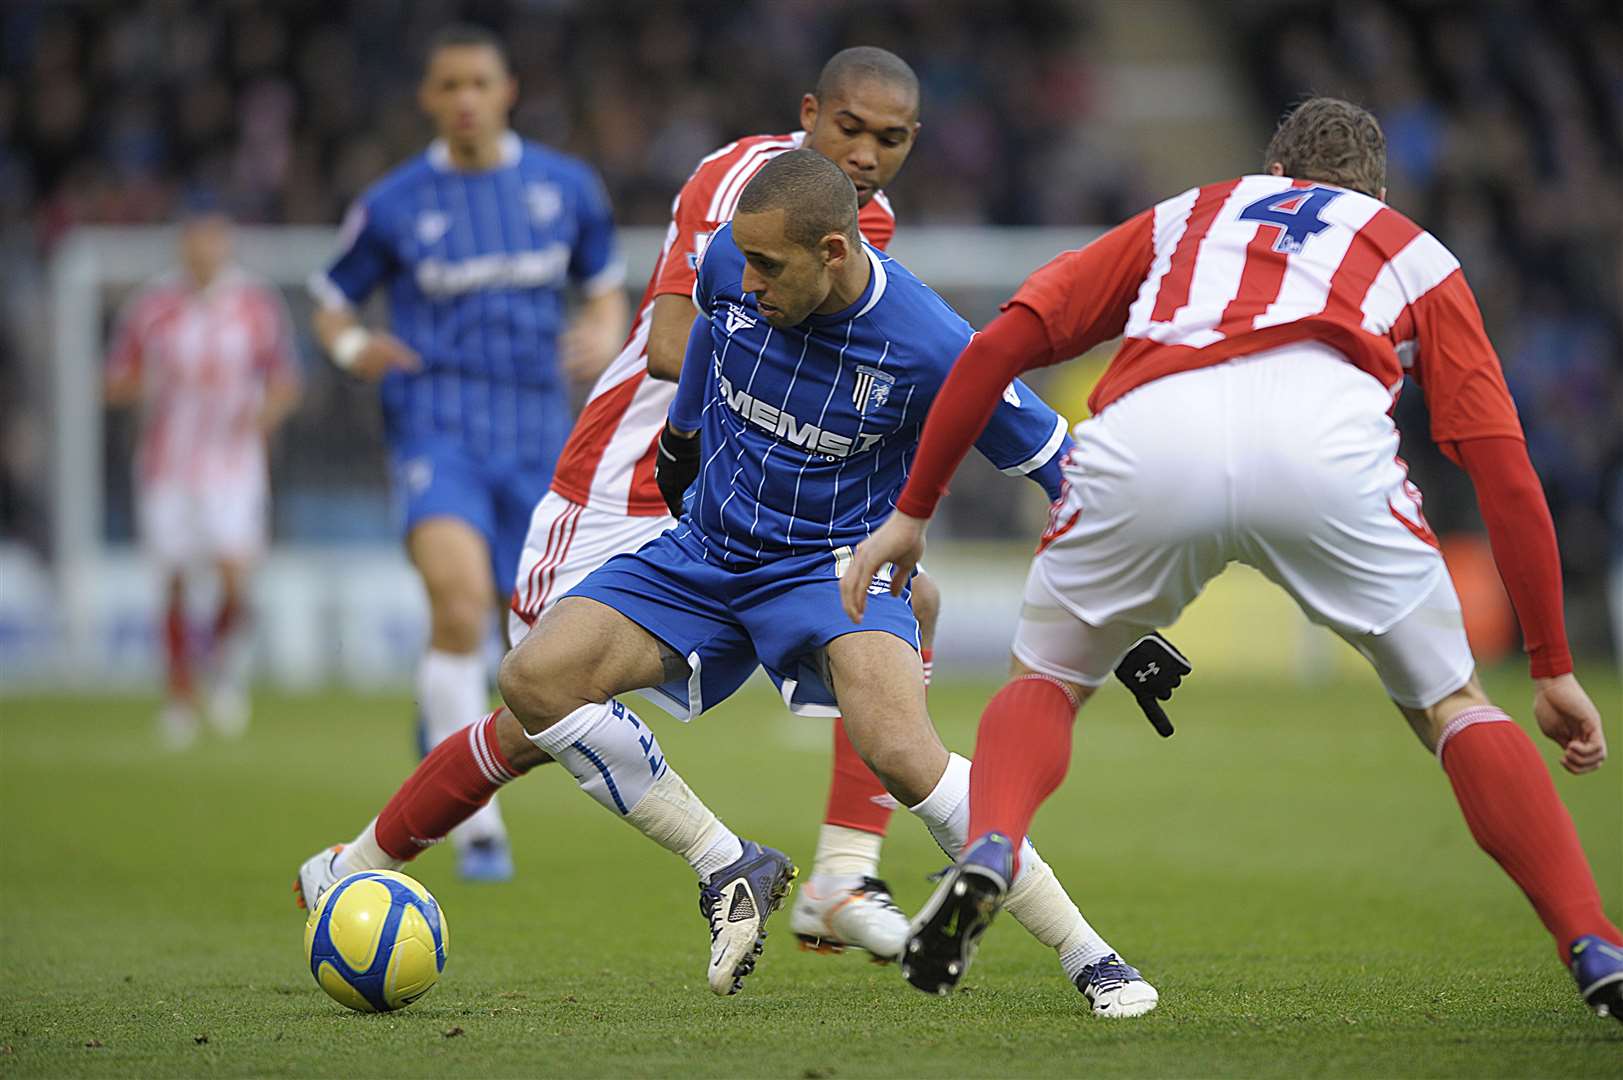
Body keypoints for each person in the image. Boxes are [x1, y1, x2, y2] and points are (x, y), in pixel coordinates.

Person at [298, 150, 1159, 1016]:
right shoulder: (731, 266)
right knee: (532, 679)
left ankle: (1090, 955)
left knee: (902, 753)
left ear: (832, 252)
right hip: (704, 552)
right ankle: (728, 863)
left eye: (768, 267)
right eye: (740, 260)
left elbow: (1058, 464)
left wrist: (1122, 617)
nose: (747, 281)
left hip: (833, 568)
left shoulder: (932, 344)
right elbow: (710, 319)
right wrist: (679, 436)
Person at [842, 97, 1623, 1020]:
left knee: (1047, 678)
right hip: (1323, 436)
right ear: (1371, 189)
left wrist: (912, 510)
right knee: (1453, 707)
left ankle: (993, 846)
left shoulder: (1191, 212)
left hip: (1151, 428)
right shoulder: (1406, 245)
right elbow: (1502, 466)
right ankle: (1592, 943)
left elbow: (1000, 345)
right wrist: (1552, 667)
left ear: (1272, 174)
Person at [511, 45, 941, 961]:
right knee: (527, 713)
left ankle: (838, 872)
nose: (865, 155)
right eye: (849, 130)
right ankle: (356, 861)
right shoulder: (745, 181)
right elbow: (680, 343)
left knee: (906, 596)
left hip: (750, 486)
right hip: (634, 477)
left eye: (889, 139)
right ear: (810, 113)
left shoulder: (868, 225)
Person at [306, 24, 628, 881]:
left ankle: (441, 745)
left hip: (540, 444)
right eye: (447, 85)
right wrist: (349, 352)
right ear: (427, 99)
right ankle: (479, 827)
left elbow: (604, 289)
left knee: (510, 635)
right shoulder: (395, 203)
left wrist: (599, 332)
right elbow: (330, 303)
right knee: (455, 605)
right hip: (436, 432)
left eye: (477, 83)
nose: (464, 100)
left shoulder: (565, 189)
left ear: (507, 89)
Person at [106, 209, 301, 749]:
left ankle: (213, 660)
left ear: (225, 245)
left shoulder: (254, 306)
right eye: (194, 242)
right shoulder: (152, 307)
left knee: (236, 579)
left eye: (212, 242)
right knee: (171, 580)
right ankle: (180, 695)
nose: (203, 251)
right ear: (182, 246)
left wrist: (264, 416)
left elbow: (285, 380)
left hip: (233, 465)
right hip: (165, 463)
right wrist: (136, 386)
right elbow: (117, 377)